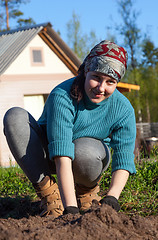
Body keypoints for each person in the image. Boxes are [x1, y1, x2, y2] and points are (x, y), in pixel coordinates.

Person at [3, 40, 136, 217]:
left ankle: (85, 192)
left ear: (116, 82)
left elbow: (124, 158)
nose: (101, 88)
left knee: (85, 151)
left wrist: (112, 197)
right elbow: (62, 155)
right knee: (14, 116)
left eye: (110, 82)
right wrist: (70, 210)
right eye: (96, 77)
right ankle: (50, 195)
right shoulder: (63, 95)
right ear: (86, 71)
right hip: (47, 154)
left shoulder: (123, 108)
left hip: (89, 158)